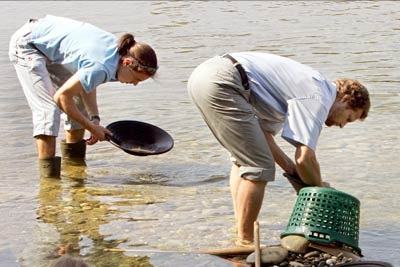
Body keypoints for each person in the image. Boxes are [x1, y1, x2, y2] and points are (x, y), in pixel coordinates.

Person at [187, 52, 370, 247]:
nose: (342, 125)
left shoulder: (289, 93)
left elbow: (265, 137)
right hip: (225, 81)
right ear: (346, 98)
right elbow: (305, 158)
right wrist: (318, 189)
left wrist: (291, 171)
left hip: (205, 76)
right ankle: (245, 240)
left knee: (243, 160)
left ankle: (239, 228)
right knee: (258, 166)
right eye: (349, 118)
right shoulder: (318, 96)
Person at [9, 15, 158, 178]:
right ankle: (49, 183)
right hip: (28, 44)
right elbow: (61, 97)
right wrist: (91, 127)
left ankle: (74, 170)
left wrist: (94, 119)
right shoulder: (102, 66)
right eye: (136, 79)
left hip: (47, 41)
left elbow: (88, 82)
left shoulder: (117, 55)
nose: (135, 84)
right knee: (48, 111)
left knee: (78, 103)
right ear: (127, 63)